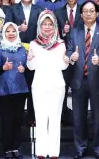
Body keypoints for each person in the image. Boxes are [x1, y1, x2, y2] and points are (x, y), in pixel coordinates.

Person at [66, 0, 99, 159]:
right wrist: (71, 57)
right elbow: (69, 51)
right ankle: (80, 148)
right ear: (81, 14)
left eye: (91, 11)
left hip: (98, 81)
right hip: (78, 81)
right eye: (85, 11)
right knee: (78, 119)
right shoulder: (74, 32)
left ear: (97, 13)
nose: (88, 14)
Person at [27, 10, 69, 158]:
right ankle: (41, 151)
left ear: (54, 25)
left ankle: (53, 152)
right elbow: (31, 67)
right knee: (40, 118)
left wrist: (66, 60)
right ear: (39, 25)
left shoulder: (61, 44)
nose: (47, 27)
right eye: (44, 24)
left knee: (55, 118)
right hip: (39, 85)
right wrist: (30, 58)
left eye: (50, 24)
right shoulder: (33, 43)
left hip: (57, 85)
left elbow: (63, 67)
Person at [5, 0, 44, 126]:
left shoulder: (39, 9)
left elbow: (44, 30)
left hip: (35, 54)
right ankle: (18, 118)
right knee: (19, 87)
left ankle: (32, 117)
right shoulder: (12, 9)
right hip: (16, 54)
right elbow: (6, 28)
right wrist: (18, 28)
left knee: (34, 87)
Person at [0, 22, 28, 159]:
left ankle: (16, 147)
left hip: (20, 89)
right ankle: (7, 148)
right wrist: (3, 68)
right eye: (8, 31)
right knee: (6, 121)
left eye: (13, 31)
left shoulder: (22, 49)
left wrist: (24, 69)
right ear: (4, 34)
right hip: (4, 90)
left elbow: (27, 66)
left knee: (17, 120)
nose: (11, 33)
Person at [54, 0, 82, 125]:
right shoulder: (58, 12)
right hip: (62, 55)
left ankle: (78, 116)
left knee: (78, 86)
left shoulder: (84, 11)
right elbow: (52, 34)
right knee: (62, 86)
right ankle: (63, 115)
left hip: (81, 54)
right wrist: (63, 32)